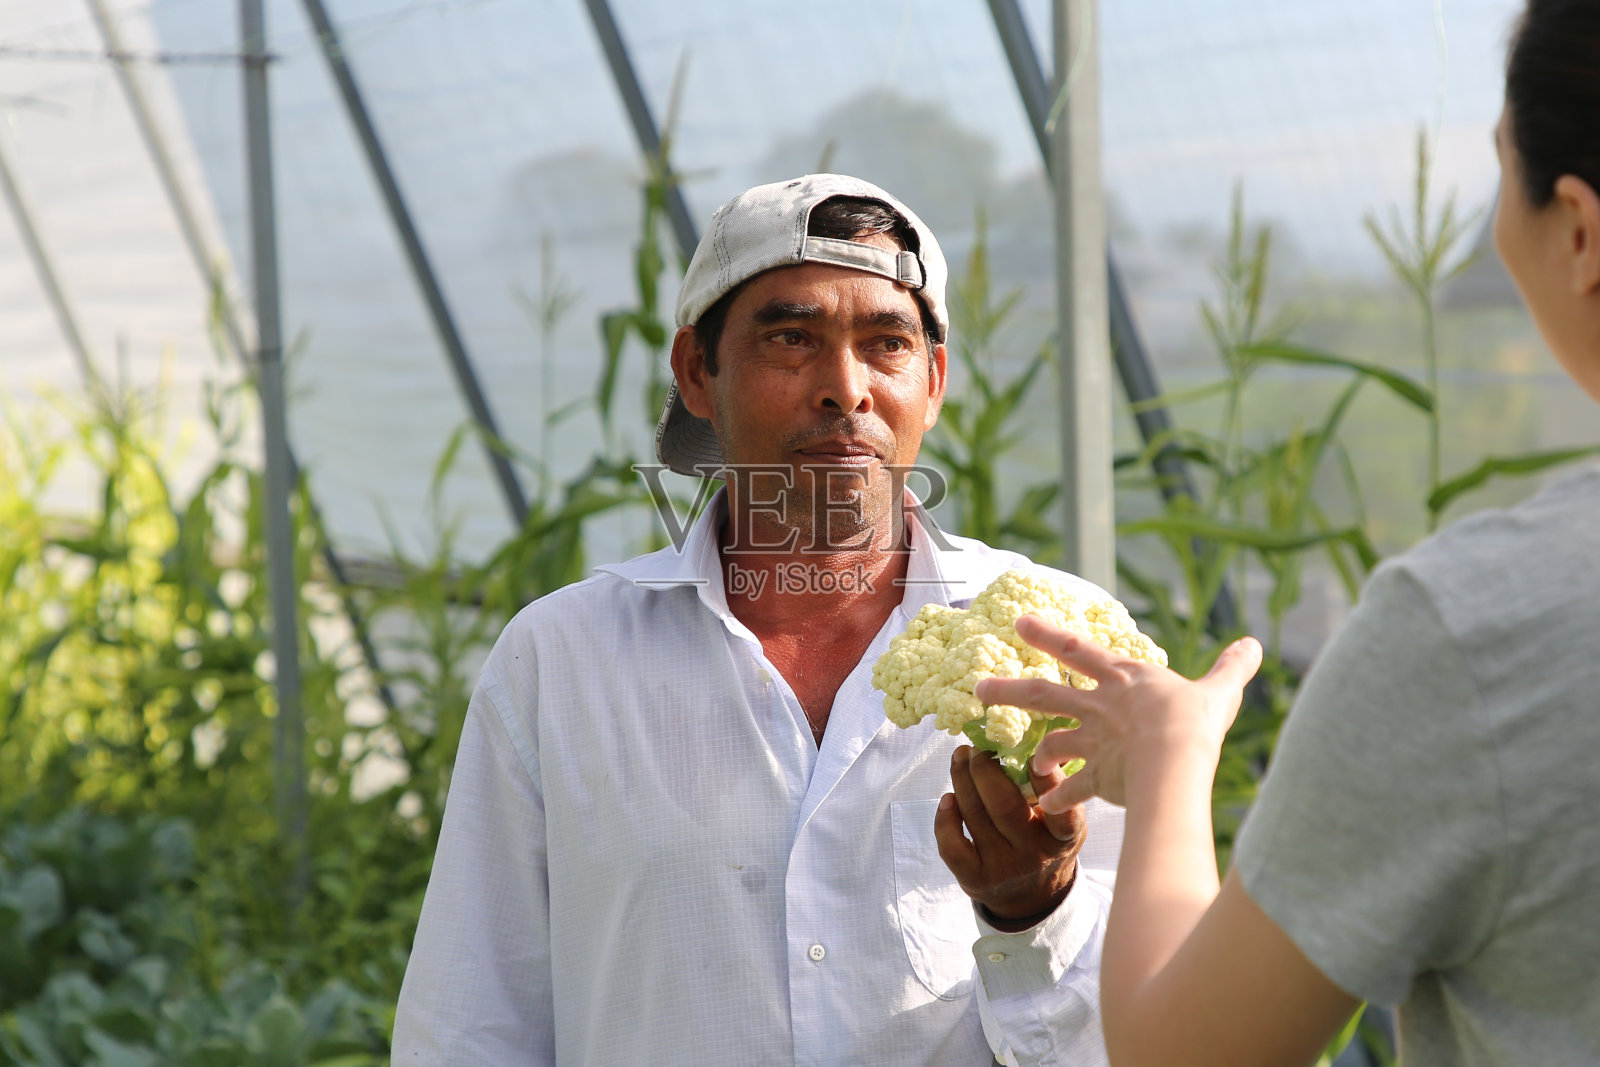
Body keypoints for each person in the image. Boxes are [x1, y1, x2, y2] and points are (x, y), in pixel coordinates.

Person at [975, 2, 1600, 1064]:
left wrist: (1173, 766)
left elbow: (1184, 1051)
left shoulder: (1471, 634)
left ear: (1578, 231)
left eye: (1497, 171)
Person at [392, 173, 1125, 1065]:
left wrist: (1031, 910)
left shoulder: (1061, 648)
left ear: (932, 382)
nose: (843, 388)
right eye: (791, 337)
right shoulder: (561, 661)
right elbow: (471, 1027)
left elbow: (1145, 1027)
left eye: (885, 341)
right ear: (697, 372)